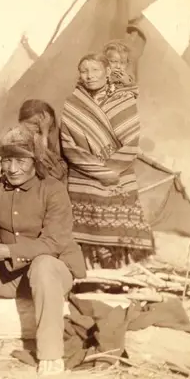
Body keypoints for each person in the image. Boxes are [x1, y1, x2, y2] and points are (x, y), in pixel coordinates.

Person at [0, 124, 86, 375]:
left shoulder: (53, 190)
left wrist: (6, 252)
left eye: (20, 161)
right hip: (12, 276)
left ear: (35, 161)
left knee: (44, 264)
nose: (12, 169)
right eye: (6, 160)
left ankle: (50, 353)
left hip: (51, 275)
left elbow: (54, 242)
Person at [60, 53, 154, 269]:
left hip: (118, 176)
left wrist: (110, 171)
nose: (89, 76)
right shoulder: (73, 103)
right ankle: (89, 277)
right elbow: (68, 144)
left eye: (95, 70)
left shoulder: (123, 100)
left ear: (107, 72)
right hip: (83, 177)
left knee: (119, 239)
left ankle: (119, 277)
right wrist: (97, 170)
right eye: (84, 71)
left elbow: (131, 142)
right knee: (86, 238)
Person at [17, 99, 68, 183]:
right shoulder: (30, 140)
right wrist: (44, 132)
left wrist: (45, 132)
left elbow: (58, 173)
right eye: (34, 123)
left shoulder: (62, 135)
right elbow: (44, 170)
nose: (40, 126)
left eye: (40, 123)